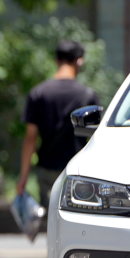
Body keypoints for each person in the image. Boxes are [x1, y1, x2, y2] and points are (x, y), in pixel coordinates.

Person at [17, 40, 100, 210]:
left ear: (56, 61)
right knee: (77, 219)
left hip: (47, 169)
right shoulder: (88, 95)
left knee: (52, 222)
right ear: (80, 61)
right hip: (78, 169)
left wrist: (23, 176)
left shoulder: (38, 93)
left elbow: (30, 139)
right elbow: (95, 139)